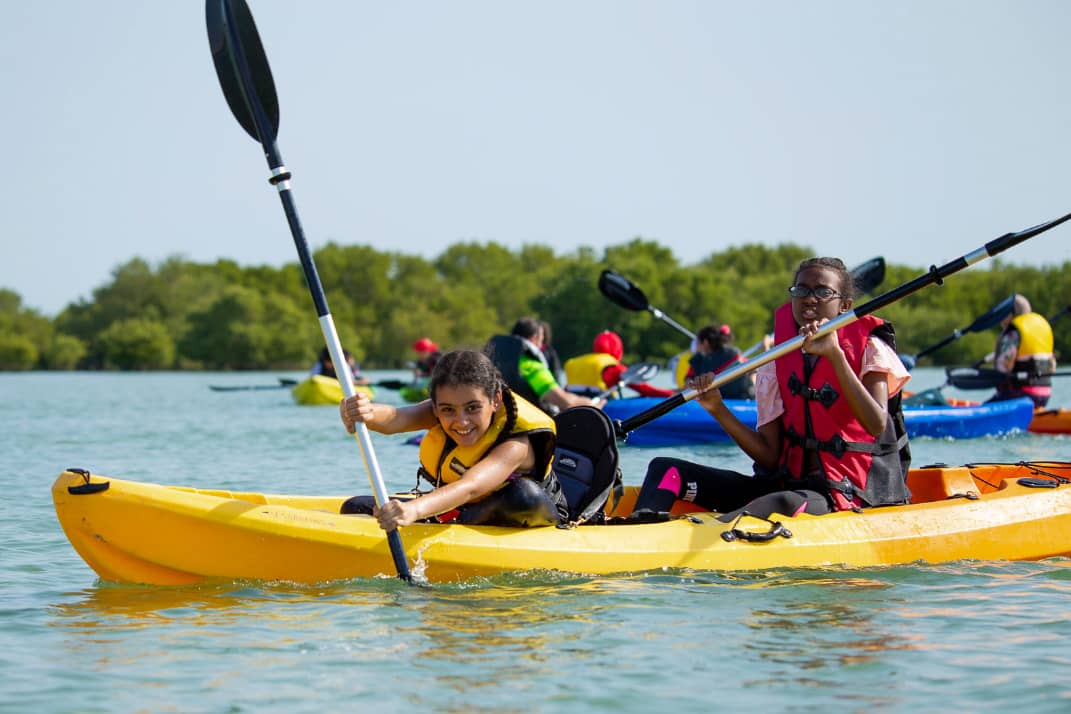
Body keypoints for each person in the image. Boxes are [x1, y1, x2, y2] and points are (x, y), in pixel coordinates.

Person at [629, 257, 912, 523]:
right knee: (666, 469)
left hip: (844, 494)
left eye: (823, 292)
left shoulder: (870, 347)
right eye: (801, 290)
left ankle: (714, 536)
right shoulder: (776, 359)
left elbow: (876, 424)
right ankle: (639, 533)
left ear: (845, 305)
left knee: (781, 503)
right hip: (783, 485)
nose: (809, 298)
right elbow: (769, 456)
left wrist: (835, 356)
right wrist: (717, 408)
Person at [337, 349, 565, 528]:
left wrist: (414, 510)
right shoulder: (441, 409)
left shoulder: (517, 445)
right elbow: (397, 418)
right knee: (356, 507)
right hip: (468, 510)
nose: (461, 421)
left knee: (524, 496)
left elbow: (471, 487)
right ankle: (449, 521)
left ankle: (449, 522)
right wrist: (365, 412)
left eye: (473, 408)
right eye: (448, 410)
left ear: (495, 400)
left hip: (524, 513)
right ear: (436, 407)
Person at [485, 317, 599, 414]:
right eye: (541, 341)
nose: (541, 346)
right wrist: (590, 403)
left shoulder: (491, 361)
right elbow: (566, 402)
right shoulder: (530, 365)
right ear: (534, 338)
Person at [987, 294, 1055, 408]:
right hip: (1044, 395)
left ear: (1012, 314)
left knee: (988, 405)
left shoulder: (1013, 333)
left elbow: (1002, 369)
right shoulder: (1042, 328)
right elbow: (1052, 366)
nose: (1001, 319)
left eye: (1004, 314)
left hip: (1019, 395)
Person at [563, 330, 674, 398]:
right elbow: (644, 389)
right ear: (617, 349)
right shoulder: (612, 367)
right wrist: (670, 394)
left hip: (573, 406)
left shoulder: (572, 363)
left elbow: (566, 390)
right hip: (600, 408)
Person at [684, 324, 754, 399]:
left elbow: (688, 385)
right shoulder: (734, 354)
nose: (696, 346)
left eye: (697, 343)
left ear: (705, 342)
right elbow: (752, 371)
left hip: (719, 400)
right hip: (743, 399)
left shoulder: (697, 361)